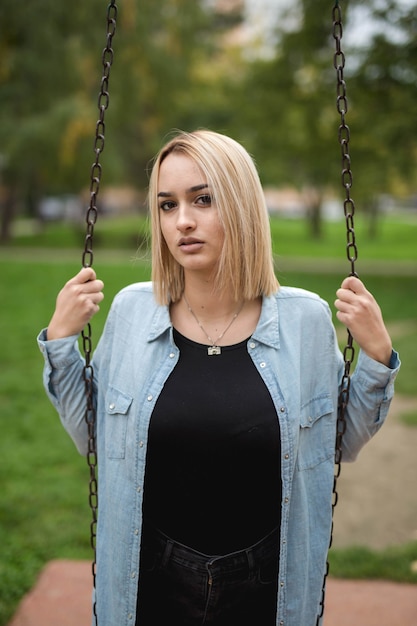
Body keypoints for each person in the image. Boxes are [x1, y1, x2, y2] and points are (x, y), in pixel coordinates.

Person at [38, 130, 399, 626]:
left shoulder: (306, 322)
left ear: (244, 206)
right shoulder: (130, 313)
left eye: (203, 199)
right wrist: (60, 341)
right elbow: (92, 436)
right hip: (151, 581)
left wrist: (377, 355)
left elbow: (341, 442)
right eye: (167, 205)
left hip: (266, 584)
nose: (182, 221)